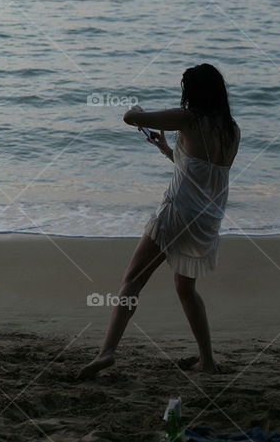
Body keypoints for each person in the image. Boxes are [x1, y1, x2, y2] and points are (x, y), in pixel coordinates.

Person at [77, 64, 240, 379]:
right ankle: (206, 360)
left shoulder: (188, 119)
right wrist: (169, 150)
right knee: (185, 288)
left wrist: (136, 109)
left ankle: (107, 351)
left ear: (192, 94)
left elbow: (130, 118)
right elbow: (205, 174)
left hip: (177, 213)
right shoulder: (232, 130)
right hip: (207, 222)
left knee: (132, 280)